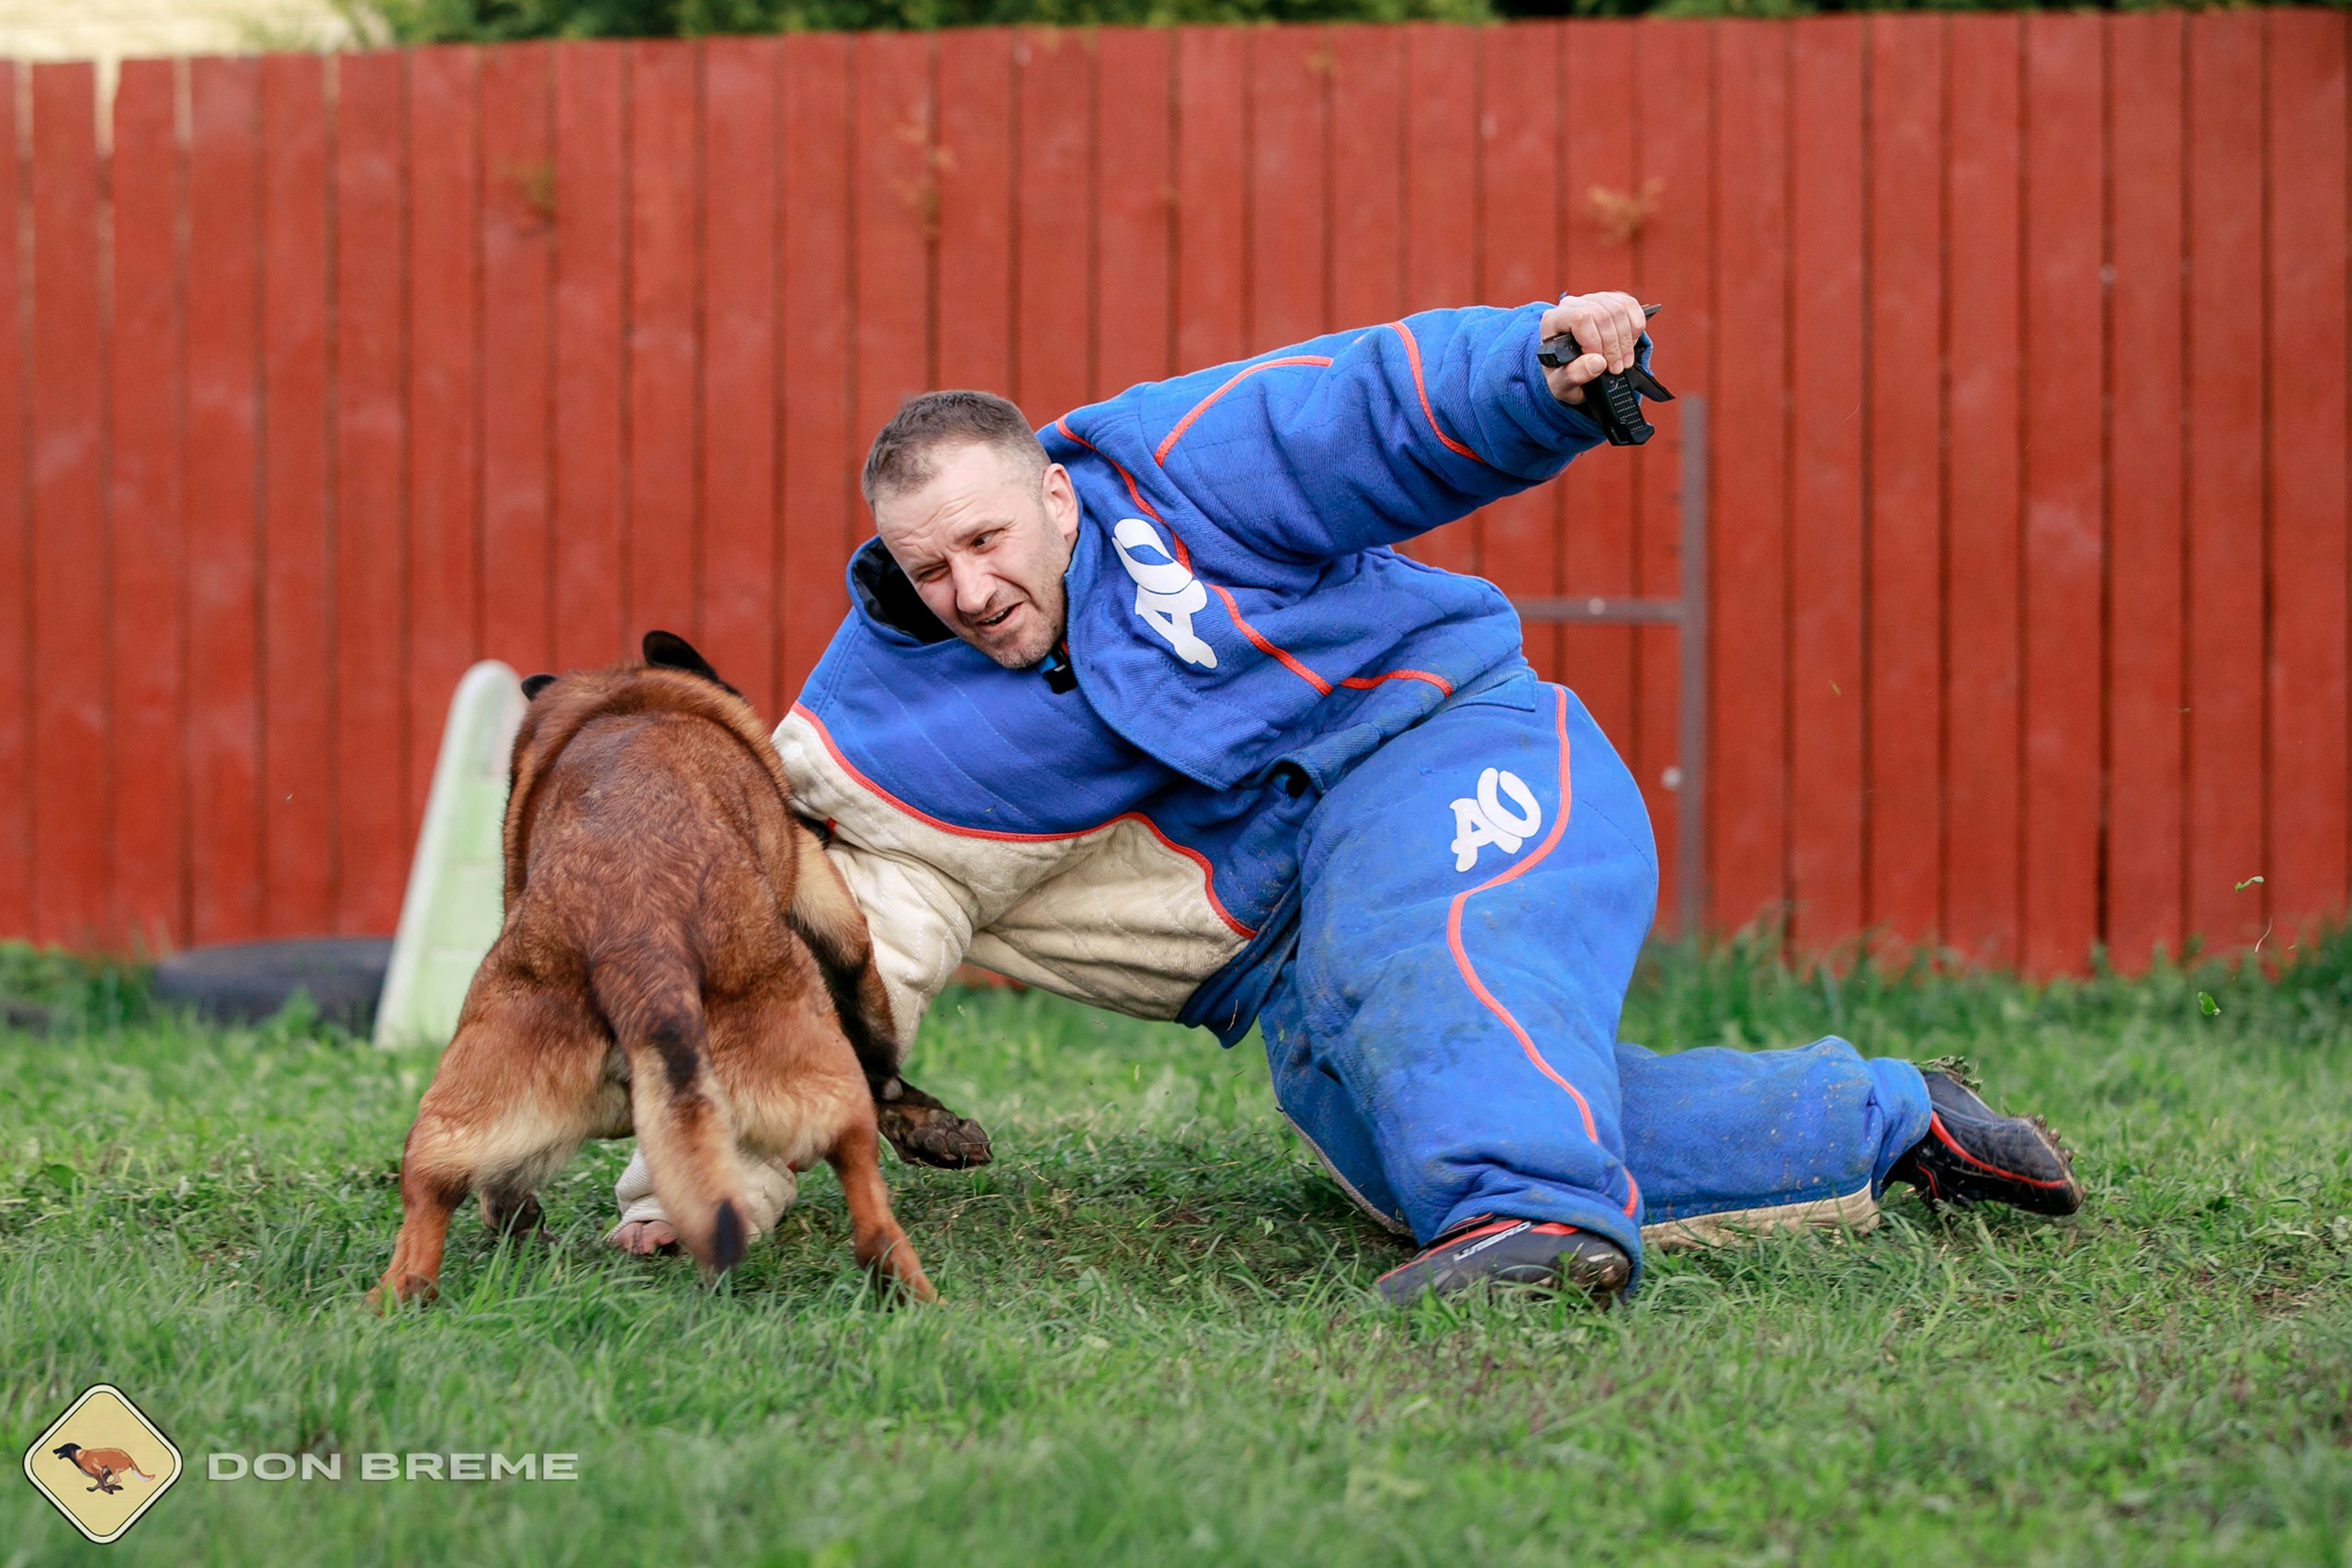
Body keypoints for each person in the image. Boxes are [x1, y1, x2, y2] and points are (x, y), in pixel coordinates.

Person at [606, 292, 2084, 1304]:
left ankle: (1544, 1227)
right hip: (1284, 976)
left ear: (1056, 492)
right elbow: (843, 948)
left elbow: (1360, 418)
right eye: (932, 570)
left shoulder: (1172, 471)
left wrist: (1538, 367)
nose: (974, 590)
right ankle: (1887, 1120)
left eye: (992, 539)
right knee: (1411, 1146)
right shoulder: (885, 728)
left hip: (1452, 753)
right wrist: (701, 1183)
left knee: (1424, 978)